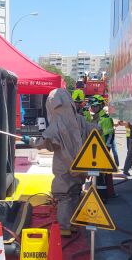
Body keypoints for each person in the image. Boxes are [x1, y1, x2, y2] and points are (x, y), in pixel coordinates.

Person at [21, 89, 96, 237]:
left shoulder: (57, 125)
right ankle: (73, 223)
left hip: (64, 168)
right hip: (81, 165)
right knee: (75, 193)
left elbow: (47, 142)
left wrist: (31, 141)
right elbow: (93, 130)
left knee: (64, 197)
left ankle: (64, 227)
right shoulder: (79, 120)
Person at [89, 95, 116, 200]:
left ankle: (102, 197)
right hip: (93, 150)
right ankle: (96, 194)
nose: (93, 108)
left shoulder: (105, 119)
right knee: (95, 174)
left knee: (100, 176)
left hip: (101, 150)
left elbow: (110, 136)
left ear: (101, 105)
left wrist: (106, 150)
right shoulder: (94, 118)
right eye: (92, 106)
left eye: (95, 106)